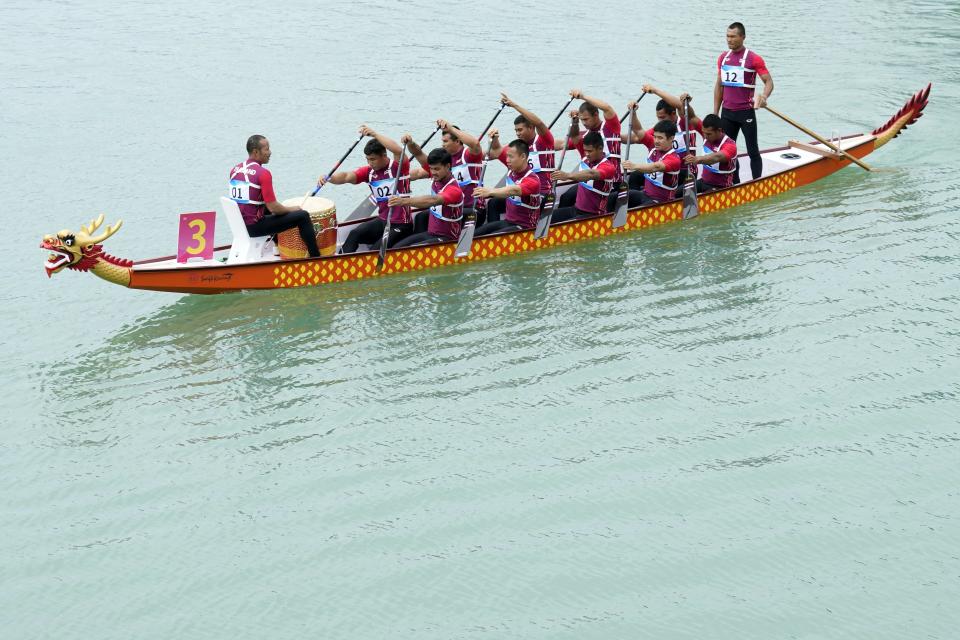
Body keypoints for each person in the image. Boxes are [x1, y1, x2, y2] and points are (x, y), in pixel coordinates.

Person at [317, 126, 413, 252]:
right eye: (367, 159)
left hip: (401, 224)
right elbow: (347, 176)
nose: (370, 163)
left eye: (373, 159)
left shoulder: (398, 167)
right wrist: (329, 177)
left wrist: (375, 134)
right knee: (354, 234)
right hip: (383, 221)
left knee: (374, 251)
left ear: (384, 155)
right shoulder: (369, 172)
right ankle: (341, 264)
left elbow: (398, 151)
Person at [229, 135, 321, 257]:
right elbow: (273, 207)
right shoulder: (263, 174)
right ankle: (316, 258)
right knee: (303, 216)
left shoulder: (235, 170)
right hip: (253, 227)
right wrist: (292, 209)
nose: (270, 152)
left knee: (266, 208)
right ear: (256, 152)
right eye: (266, 149)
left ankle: (278, 249)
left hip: (239, 225)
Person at [713, 21, 773, 182]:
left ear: (743, 37)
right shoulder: (723, 58)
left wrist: (764, 97)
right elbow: (719, 86)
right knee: (729, 152)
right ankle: (736, 184)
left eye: (733, 36)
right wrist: (715, 113)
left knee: (753, 150)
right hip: (727, 113)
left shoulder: (754, 59)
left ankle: (757, 183)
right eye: (727, 36)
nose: (729, 40)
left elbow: (769, 82)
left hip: (746, 112)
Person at [484, 93, 556, 223]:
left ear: (531, 127)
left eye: (520, 130)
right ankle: (494, 233)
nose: (517, 133)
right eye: (516, 130)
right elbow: (497, 151)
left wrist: (514, 105)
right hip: (521, 192)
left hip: (543, 194)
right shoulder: (517, 149)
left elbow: (539, 123)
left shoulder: (544, 141)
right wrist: (494, 140)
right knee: (493, 203)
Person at [387, 141, 464, 248]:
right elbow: (418, 154)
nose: (432, 172)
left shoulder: (454, 190)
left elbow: (432, 200)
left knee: (406, 251)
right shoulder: (437, 175)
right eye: (431, 168)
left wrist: (403, 201)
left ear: (447, 166)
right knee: (397, 248)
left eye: (436, 169)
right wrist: (410, 143)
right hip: (431, 234)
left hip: (448, 239)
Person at [629, 85, 704, 193]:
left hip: (685, 172)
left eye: (662, 117)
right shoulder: (661, 129)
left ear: (673, 114)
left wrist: (655, 90)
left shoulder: (684, 123)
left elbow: (679, 105)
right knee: (635, 176)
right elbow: (637, 137)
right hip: (664, 169)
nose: (660, 121)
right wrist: (614, 137)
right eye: (658, 117)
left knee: (677, 192)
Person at [557, 89, 622, 211]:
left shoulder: (611, 127)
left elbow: (607, 108)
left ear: (596, 115)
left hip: (611, 181)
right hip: (589, 179)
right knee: (566, 197)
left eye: (586, 119)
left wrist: (583, 96)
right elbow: (574, 137)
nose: (584, 123)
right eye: (582, 120)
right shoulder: (586, 136)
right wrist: (575, 123)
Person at [473, 140, 542, 235]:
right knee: (476, 234)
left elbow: (514, 190)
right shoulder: (511, 171)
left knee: (490, 238)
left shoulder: (533, 180)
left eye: (511, 157)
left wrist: (490, 191)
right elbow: (497, 150)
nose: (507, 160)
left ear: (523, 157)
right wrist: (494, 139)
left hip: (525, 228)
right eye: (507, 156)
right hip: (508, 222)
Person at [548, 131, 618, 223]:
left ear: (600, 149)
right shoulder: (585, 157)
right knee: (546, 219)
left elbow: (591, 174)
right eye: (585, 151)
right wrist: (575, 122)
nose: (587, 154)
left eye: (590, 151)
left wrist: (568, 175)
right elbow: (575, 136)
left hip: (593, 216)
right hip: (576, 210)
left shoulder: (608, 167)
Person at [622, 120, 682, 205]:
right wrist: (634, 113)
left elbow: (655, 167)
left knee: (636, 211)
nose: (656, 141)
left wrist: (634, 166)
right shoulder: (653, 146)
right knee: (615, 197)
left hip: (661, 203)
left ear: (671, 138)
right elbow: (638, 130)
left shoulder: (674, 159)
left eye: (660, 138)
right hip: (645, 195)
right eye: (655, 137)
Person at [437, 120, 485, 223]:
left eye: (445, 141)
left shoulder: (467, 155)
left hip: (474, 209)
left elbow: (475, 144)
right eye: (442, 141)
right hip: (457, 208)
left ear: (458, 141)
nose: (442, 145)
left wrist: (450, 128)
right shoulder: (446, 161)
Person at [683, 114, 738, 192]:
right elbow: (690, 116)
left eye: (708, 134)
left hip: (721, 188)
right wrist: (685, 102)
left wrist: (698, 159)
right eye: (703, 133)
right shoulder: (707, 131)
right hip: (703, 182)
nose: (705, 136)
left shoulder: (730, 145)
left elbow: (716, 157)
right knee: (676, 194)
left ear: (719, 130)